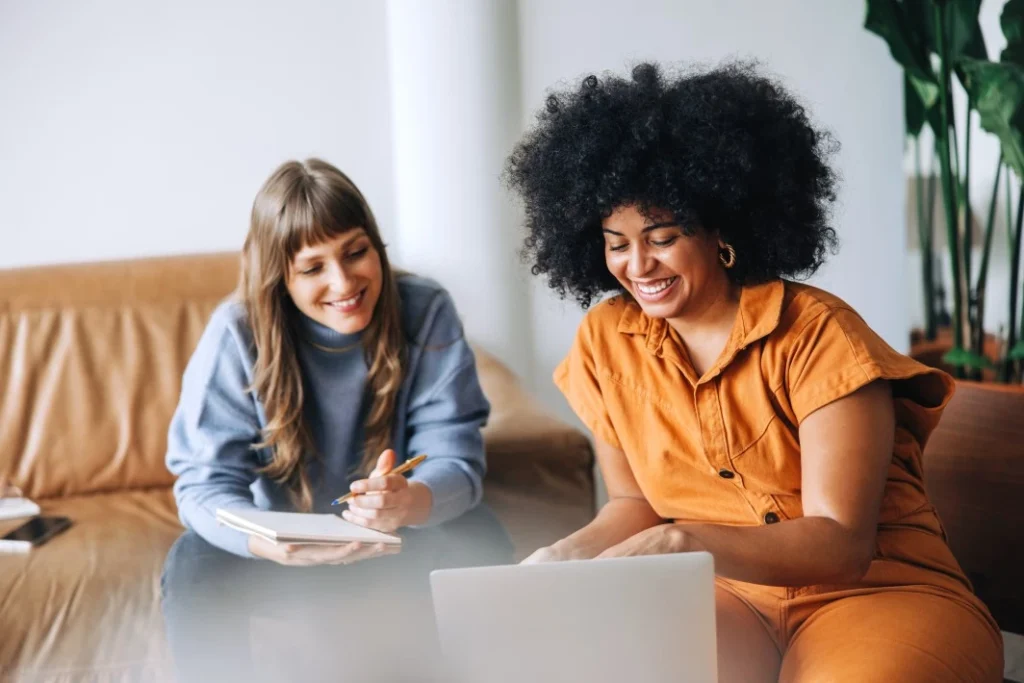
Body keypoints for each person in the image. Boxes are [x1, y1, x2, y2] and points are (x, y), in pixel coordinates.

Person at [505, 62, 1003, 683]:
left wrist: (684, 541)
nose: (637, 264)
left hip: (878, 590)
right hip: (723, 595)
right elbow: (633, 503)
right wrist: (564, 554)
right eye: (616, 242)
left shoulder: (818, 334)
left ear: (721, 228)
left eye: (662, 236)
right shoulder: (606, 341)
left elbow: (841, 545)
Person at [160, 158, 511, 682]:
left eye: (355, 252)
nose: (343, 281)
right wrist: (270, 544)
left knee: (480, 535)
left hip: (395, 541)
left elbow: (455, 457)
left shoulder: (425, 308)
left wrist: (409, 501)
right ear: (281, 275)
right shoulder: (237, 333)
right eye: (312, 268)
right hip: (281, 556)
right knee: (191, 565)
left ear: (376, 244)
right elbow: (204, 488)